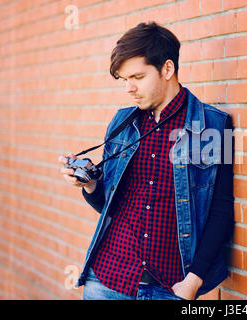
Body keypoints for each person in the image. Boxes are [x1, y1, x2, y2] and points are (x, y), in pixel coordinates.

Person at [58, 22, 234, 300]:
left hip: (172, 287)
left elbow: (221, 210)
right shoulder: (122, 122)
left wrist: (193, 281)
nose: (129, 88)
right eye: (124, 79)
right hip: (108, 279)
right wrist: (90, 185)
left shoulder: (212, 125)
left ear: (167, 69)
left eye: (137, 77)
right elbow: (110, 204)